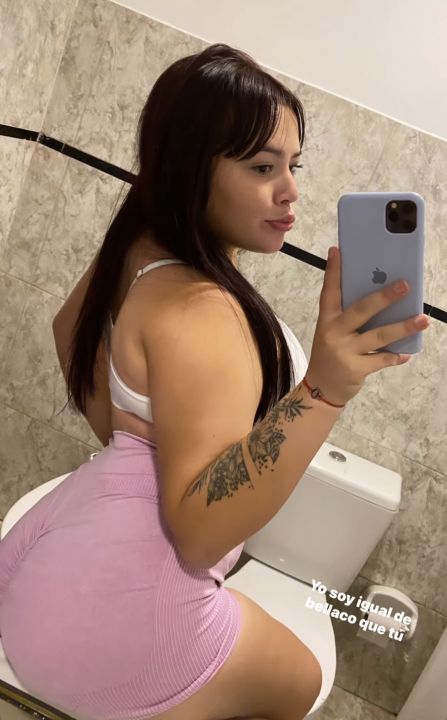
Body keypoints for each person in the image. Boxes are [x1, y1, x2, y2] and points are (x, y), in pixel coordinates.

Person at [0, 43, 430, 720]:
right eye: (262, 167)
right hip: (124, 623)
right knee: (302, 682)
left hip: (39, 577)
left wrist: (133, 452)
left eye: (292, 165)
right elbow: (200, 536)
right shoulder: (207, 314)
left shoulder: (139, 247)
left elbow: (69, 332)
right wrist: (324, 390)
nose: (290, 191)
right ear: (190, 167)